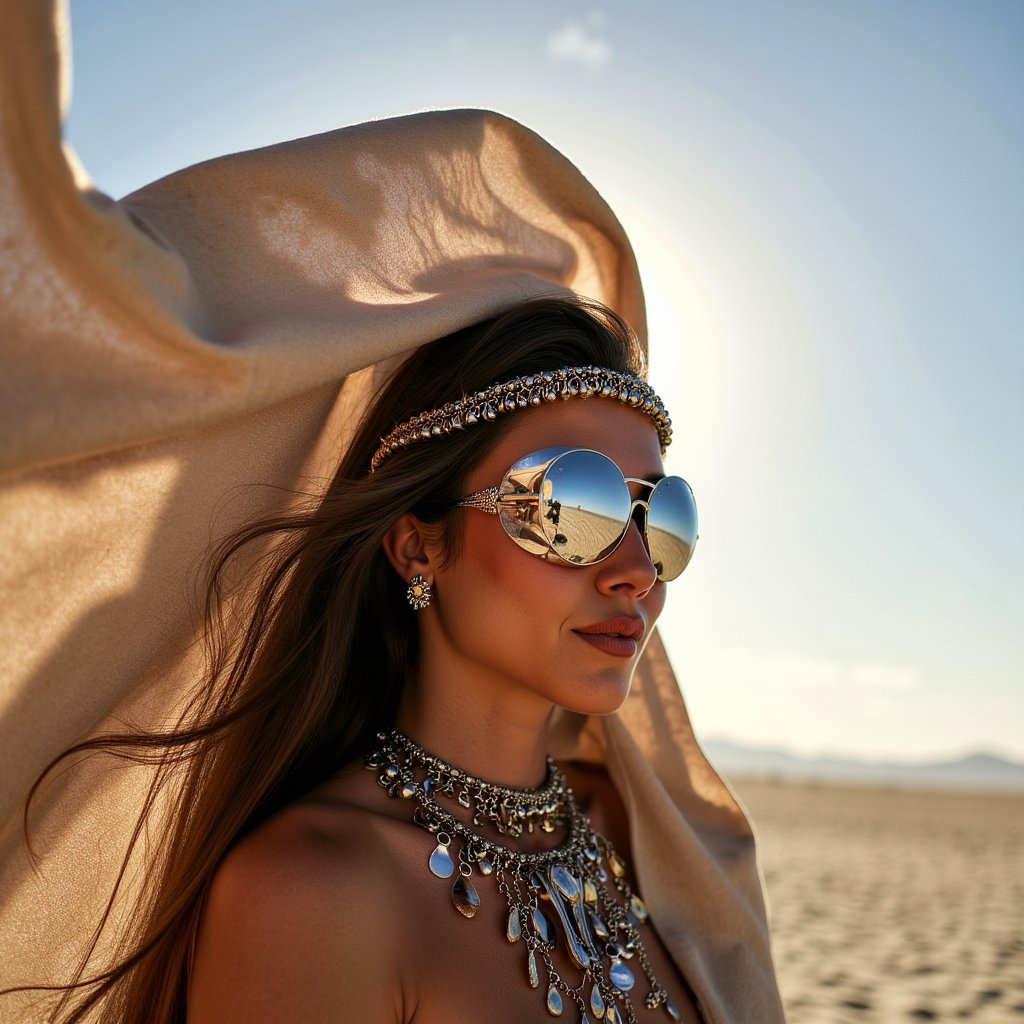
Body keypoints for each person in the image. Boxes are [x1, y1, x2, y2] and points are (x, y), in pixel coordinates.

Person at [0, 5, 784, 1022]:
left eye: (656, 513)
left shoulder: (647, 846)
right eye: (572, 505)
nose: (636, 567)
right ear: (416, 540)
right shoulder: (313, 889)